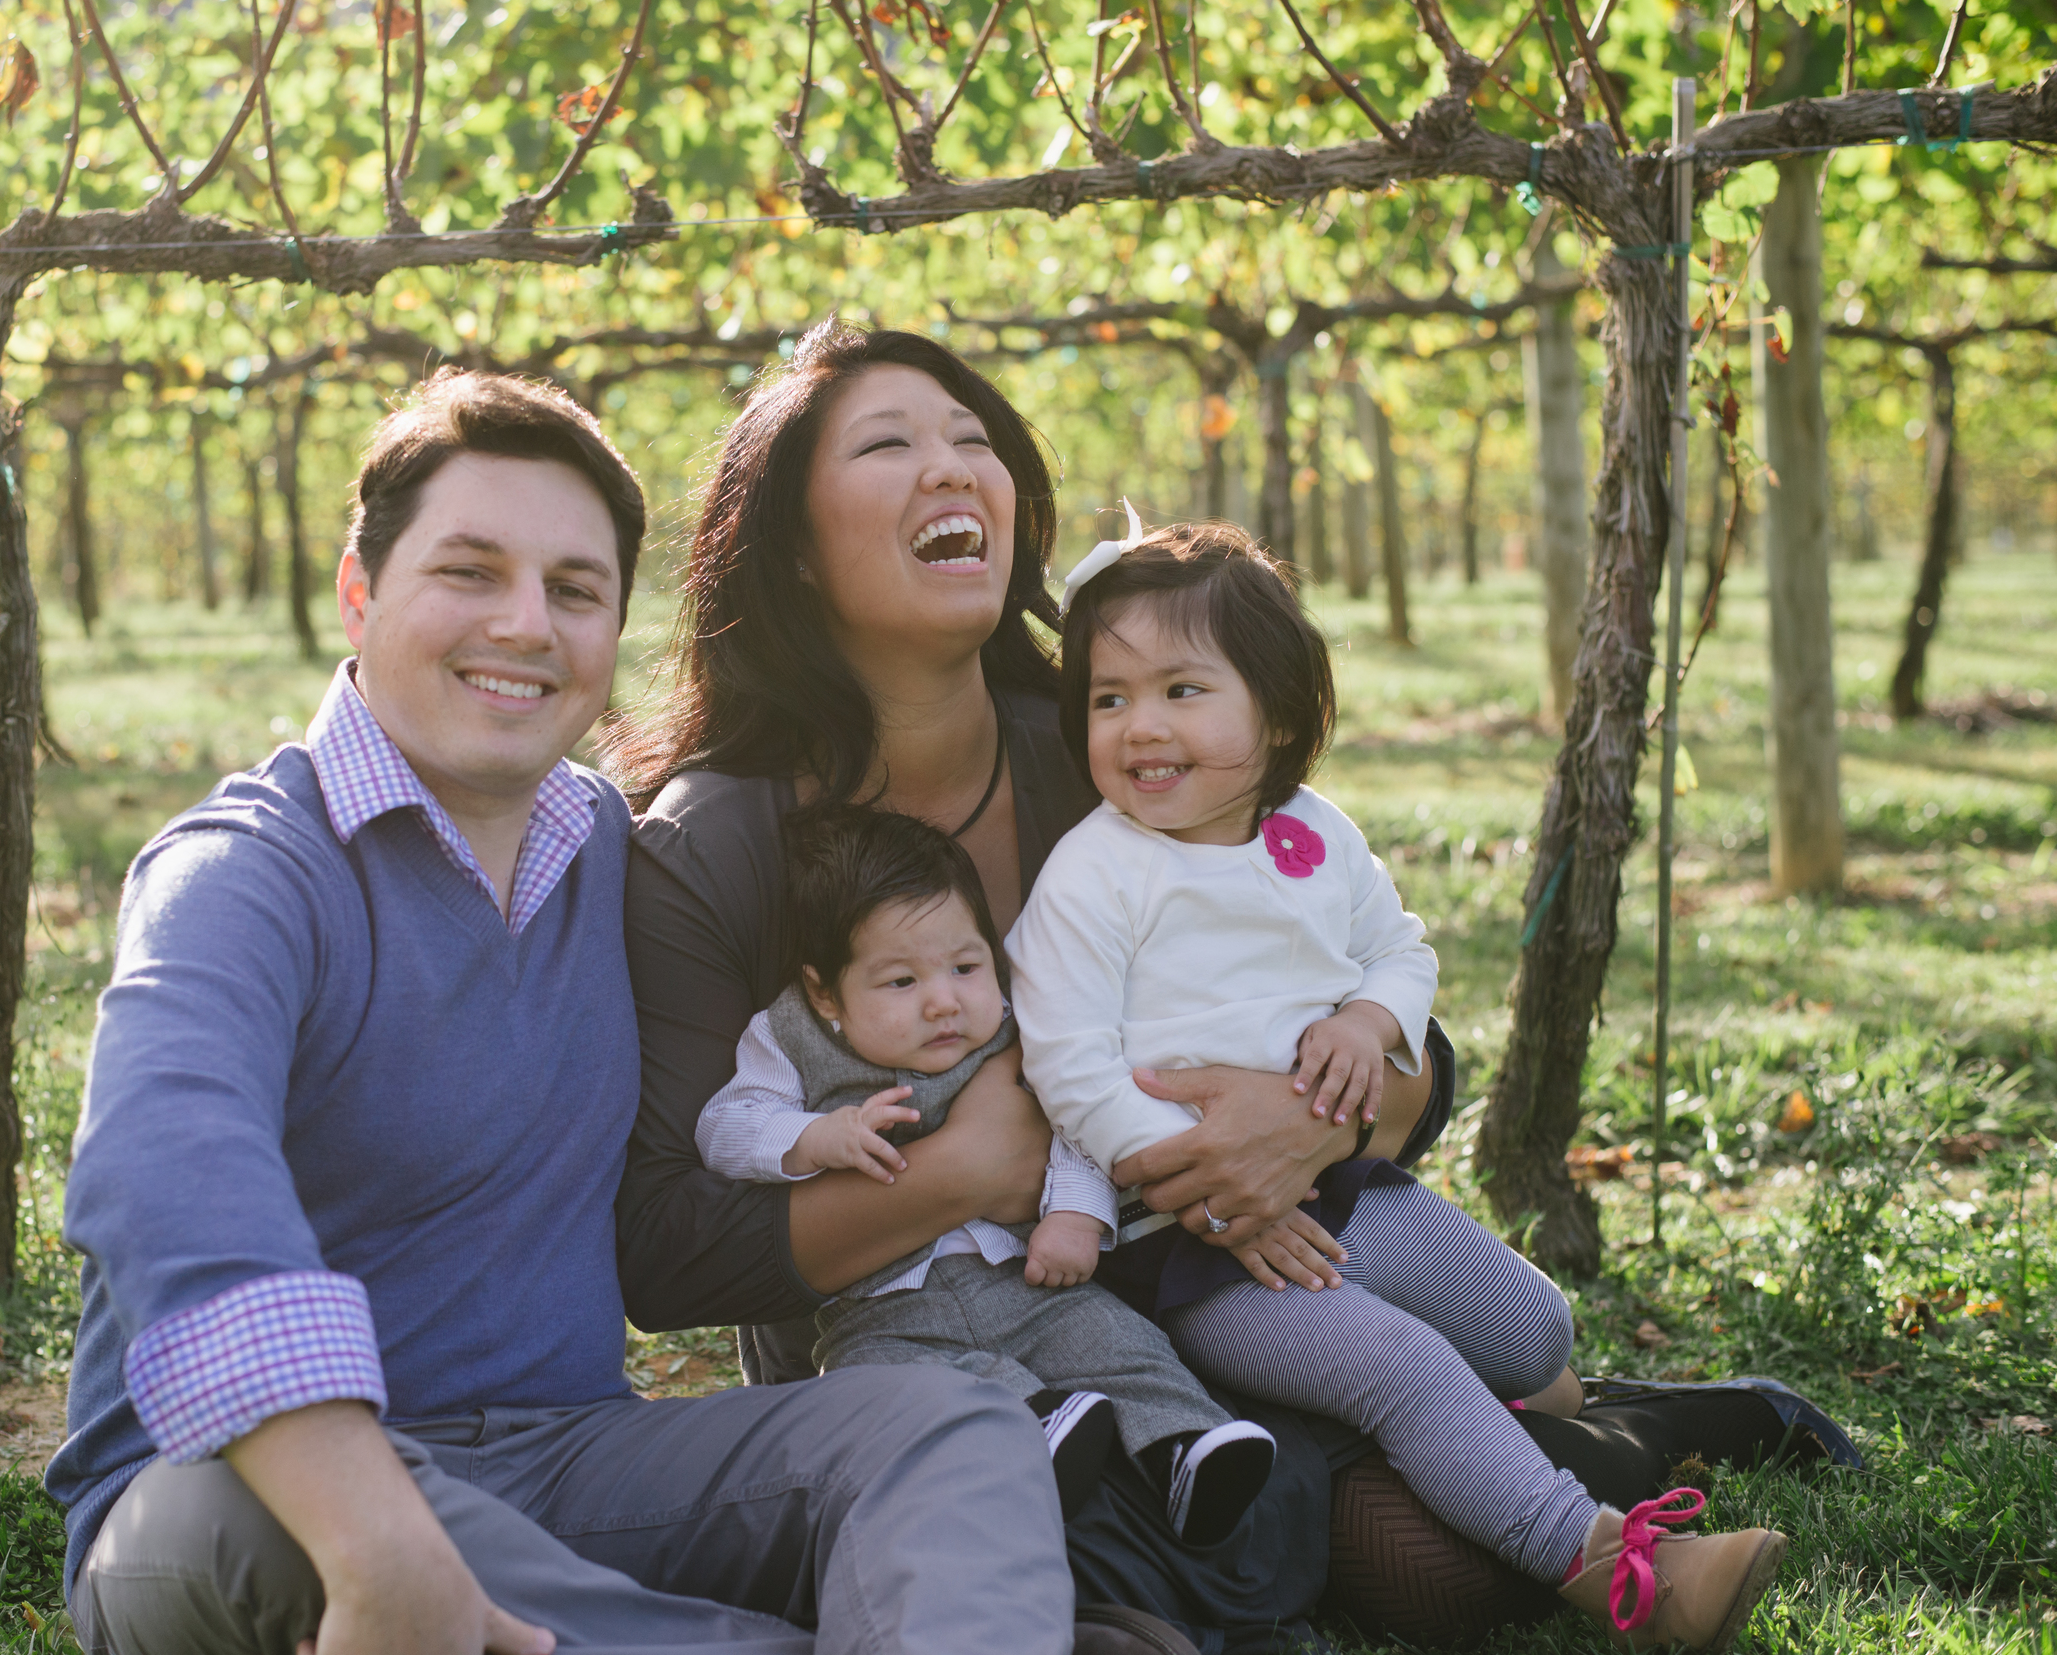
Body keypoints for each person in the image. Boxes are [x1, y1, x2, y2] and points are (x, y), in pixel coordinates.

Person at [46, 367, 1104, 1655]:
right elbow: (162, 1171)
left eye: (575, 590)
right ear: (358, 592)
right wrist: (378, 1538)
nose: (526, 625)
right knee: (333, 1530)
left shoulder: (611, 847)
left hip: (573, 1460)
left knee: (946, 1423)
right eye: (469, 573)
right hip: (239, 1494)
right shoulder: (246, 871)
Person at [610, 321, 1453, 1653]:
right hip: (902, 1365)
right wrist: (964, 1168)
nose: (954, 468)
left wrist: (1314, 1117)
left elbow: (1395, 1027)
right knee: (1115, 1535)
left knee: (1439, 1556)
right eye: (890, 446)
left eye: (973, 440)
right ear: (790, 547)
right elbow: (663, 1247)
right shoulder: (713, 843)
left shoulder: (1108, 744)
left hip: (1183, 1300)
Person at [1010, 517, 1790, 1651]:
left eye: (1181, 689)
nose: (1141, 728)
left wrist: (1373, 1018)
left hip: (1346, 1188)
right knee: (1404, 1370)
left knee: (1533, 1331)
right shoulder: (1094, 874)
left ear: (1277, 713)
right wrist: (1206, 1190)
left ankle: (1521, 1421)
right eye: (1109, 699)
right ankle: (1628, 1573)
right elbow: (1068, 1064)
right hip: (1205, 1255)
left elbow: (1403, 952)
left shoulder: (1314, 835)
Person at [697, 799, 1277, 1540]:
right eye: (900, 982)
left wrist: (1076, 1213)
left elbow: (1076, 1116)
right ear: (823, 990)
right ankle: (1034, 1424)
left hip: (1025, 1280)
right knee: (873, 1382)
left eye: (965, 966)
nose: (944, 1001)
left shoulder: (1013, 1022)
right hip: (879, 1308)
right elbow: (726, 1126)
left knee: (1116, 1343)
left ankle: (1186, 1446)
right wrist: (815, 1135)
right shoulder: (788, 1035)